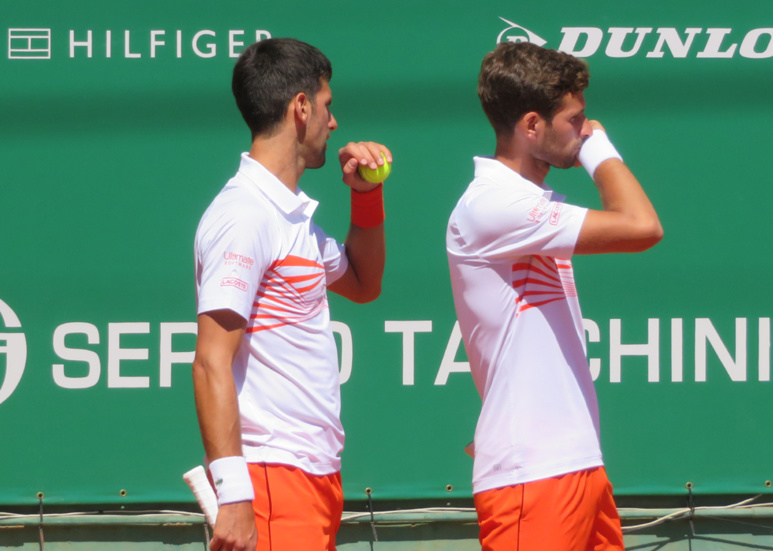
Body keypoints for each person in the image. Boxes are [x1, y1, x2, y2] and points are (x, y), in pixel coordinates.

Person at [446, 42, 662, 551]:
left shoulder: (522, 204)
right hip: (532, 477)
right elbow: (642, 226)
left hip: (578, 466)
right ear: (531, 126)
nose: (585, 127)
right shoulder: (493, 205)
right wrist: (599, 150)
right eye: (574, 119)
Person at [192, 38, 390, 551]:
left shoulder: (292, 219)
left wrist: (366, 196)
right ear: (301, 107)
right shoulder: (244, 216)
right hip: (270, 478)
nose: (335, 123)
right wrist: (235, 496)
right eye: (328, 105)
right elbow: (212, 361)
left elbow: (365, 285)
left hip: (313, 475)